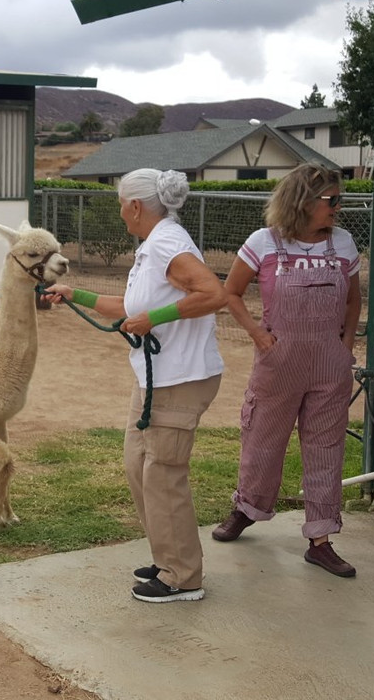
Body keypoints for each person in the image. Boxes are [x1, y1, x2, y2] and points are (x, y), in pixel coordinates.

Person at [43, 168, 227, 603]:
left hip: (180, 377)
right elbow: (129, 307)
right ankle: (168, 556)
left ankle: (183, 576)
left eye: (120, 202)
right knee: (138, 466)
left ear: (136, 206)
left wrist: (155, 320)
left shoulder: (167, 243)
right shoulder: (153, 246)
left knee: (163, 474)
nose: (120, 210)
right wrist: (76, 295)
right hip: (155, 377)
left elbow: (213, 293)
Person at [211, 164, 361, 578]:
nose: (338, 208)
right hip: (278, 363)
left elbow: (352, 302)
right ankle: (247, 508)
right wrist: (259, 337)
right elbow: (231, 293)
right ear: (304, 201)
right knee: (263, 439)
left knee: (326, 450)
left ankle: (320, 539)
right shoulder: (263, 242)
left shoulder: (345, 244)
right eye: (332, 201)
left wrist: (344, 347)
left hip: (329, 367)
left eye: (338, 200)